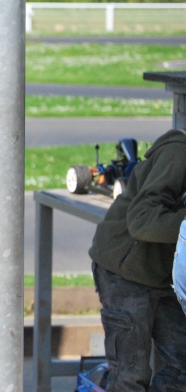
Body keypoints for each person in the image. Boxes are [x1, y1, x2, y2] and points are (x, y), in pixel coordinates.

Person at [89, 128, 186, 391]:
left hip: (162, 276)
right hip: (126, 272)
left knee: (181, 369)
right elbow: (142, 220)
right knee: (130, 375)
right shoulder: (178, 153)